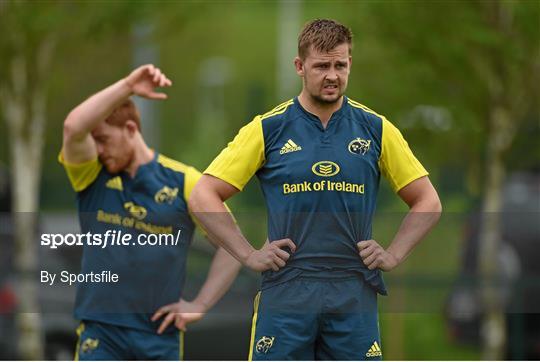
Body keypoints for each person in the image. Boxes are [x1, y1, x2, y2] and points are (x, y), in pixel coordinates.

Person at [189, 19, 442, 360]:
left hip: (353, 293)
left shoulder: (376, 129)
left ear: (350, 64)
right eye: (322, 66)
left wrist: (393, 254)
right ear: (300, 66)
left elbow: (428, 201)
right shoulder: (269, 128)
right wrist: (249, 254)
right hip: (287, 291)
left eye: (341, 65)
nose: (332, 75)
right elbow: (203, 194)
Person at [59, 64, 241, 360]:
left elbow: (233, 245)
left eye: (103, 139)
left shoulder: (185, 181)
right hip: (101, 333)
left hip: (159, 338)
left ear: (130, 130)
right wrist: (129, 85)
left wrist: (200, 305)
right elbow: (73, 127)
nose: (98, 150)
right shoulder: (91, 176)